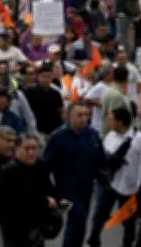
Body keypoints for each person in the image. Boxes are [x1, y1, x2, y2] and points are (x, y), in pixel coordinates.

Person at [43, 102, 106, 247]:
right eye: (79, 115)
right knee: (78, 218)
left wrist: (104, 174)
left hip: (87, 188)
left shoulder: (92, 135)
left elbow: (101, 160)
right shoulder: (58, 137)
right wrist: (49, 192)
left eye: (86, 115)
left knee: (81, 224)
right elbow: (46, 167)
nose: (84, 118)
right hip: (67, 191)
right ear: (69, 116)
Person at [87, 107, 141, 247]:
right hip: (110, 185)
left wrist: (140, 189)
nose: (108, 122)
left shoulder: (140, 140)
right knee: (99, 214)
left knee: (128, 222)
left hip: (130, 188)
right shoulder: (110, 136)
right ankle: (93, 239)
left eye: (111, 120)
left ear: (120, 122)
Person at [0, 133, 58, 247]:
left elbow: (50, 189)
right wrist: (46, 202)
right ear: (17, 149)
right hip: (16, 232)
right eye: (27, 148)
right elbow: (19, 201)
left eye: (34, 148)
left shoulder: (40, 166)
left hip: (38, 229)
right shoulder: (9, 172)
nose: (31, 152)